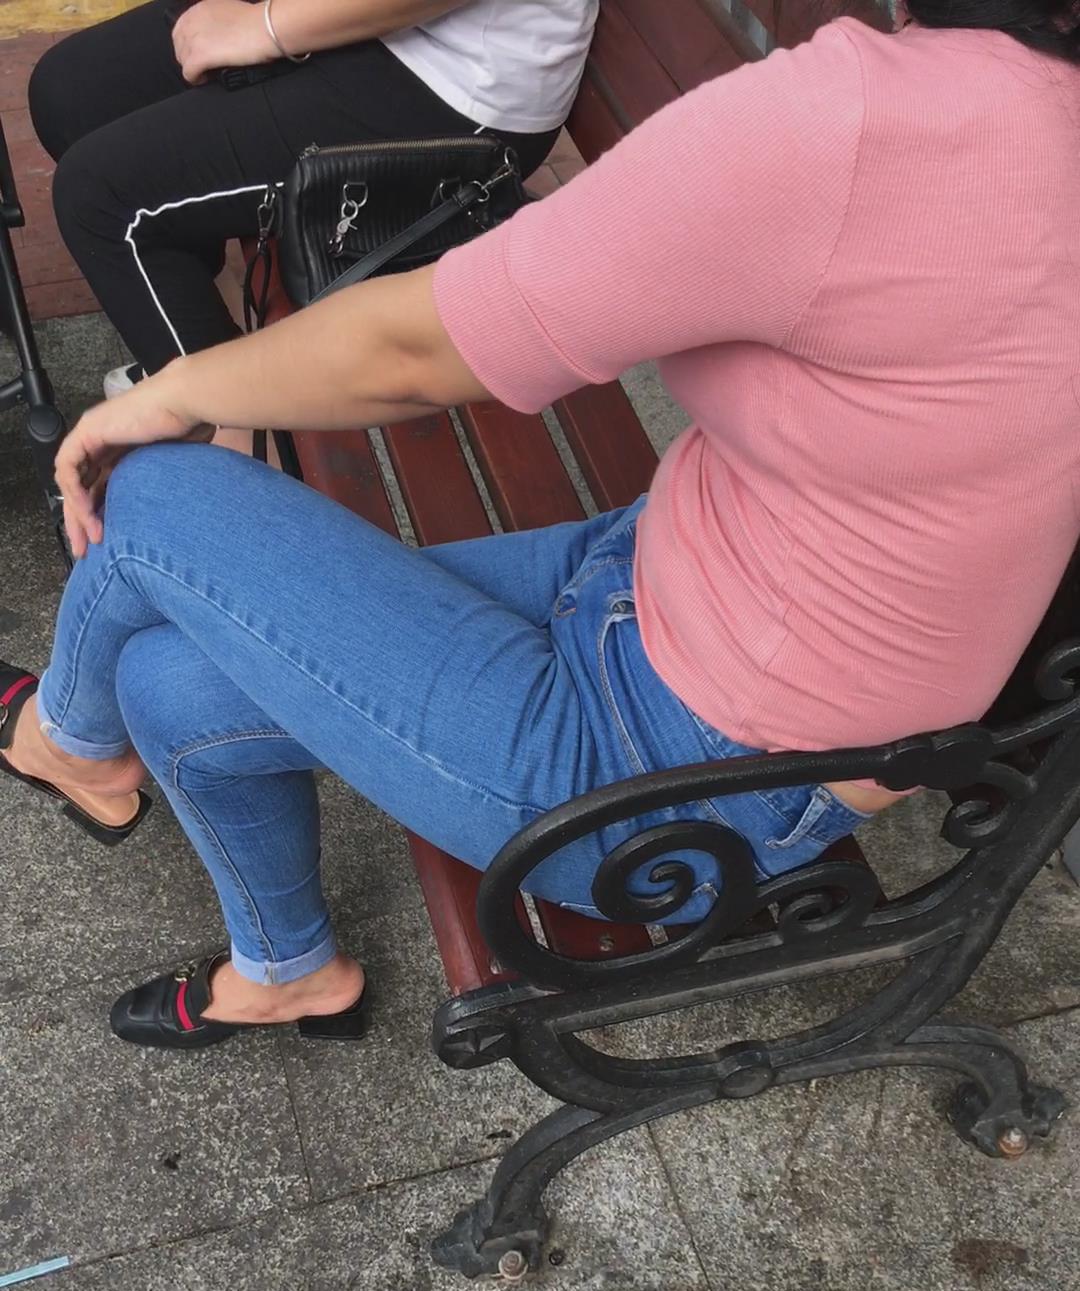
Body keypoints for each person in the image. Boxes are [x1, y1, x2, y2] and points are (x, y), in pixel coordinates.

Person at [3, 0, 1079, 1050]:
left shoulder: (860, 124)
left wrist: (171, 392)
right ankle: (287, 972)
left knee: (157, 492)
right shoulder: (1014, 108)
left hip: (685, 785)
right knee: (166, 685)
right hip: (678, 584)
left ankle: (64, 738)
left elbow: (414, 352)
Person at [27, 0, 595, 398]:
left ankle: (228, 445)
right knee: (70, 94)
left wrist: (266, 27)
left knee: (103, 198)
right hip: (378, 31)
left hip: (457, 84)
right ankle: (196, 337)